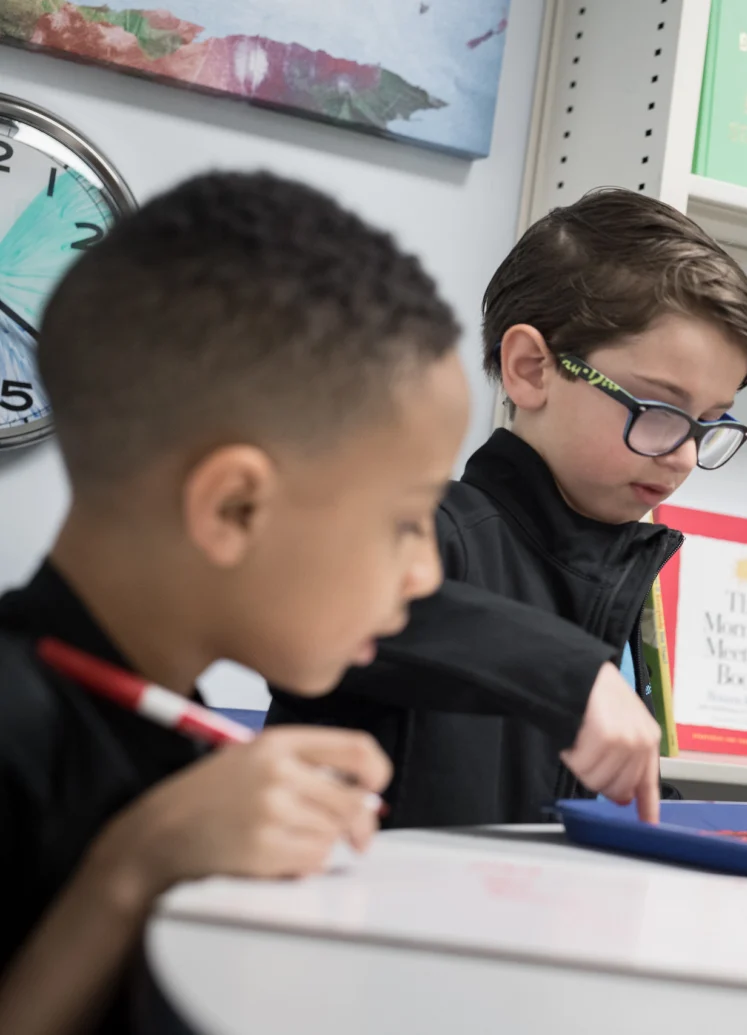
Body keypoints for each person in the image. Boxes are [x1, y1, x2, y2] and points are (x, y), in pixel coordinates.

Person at [0, 172, 469, 1034]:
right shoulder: (18, 735)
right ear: (233, 509)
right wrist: (131, 870)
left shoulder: (182, 727)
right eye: (407, 521)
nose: (426, 574)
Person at [267, 188, 747, 827]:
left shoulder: (614, 576)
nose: (683, 457)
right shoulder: (431, 535)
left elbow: (602, 809)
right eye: (660, 410)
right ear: (531, 369)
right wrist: (569, 674)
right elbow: (313, 587)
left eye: (708, 423)